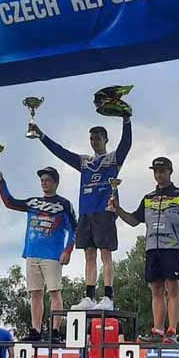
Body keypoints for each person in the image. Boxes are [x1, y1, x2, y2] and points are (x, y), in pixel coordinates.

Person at [29, 113, 131, 310]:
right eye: (92, 138)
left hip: (105, 211)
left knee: (106, 255)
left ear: (106, 139)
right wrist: (41, 135)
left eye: (98, 138)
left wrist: (126, 120)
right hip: (86, 214)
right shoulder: (85, 162)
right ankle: (90, 297)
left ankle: (108, 298)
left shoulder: (113, 159)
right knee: (89, 255)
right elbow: (61, 152)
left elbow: (126, 143)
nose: (94, 141)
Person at [111, 157, 179, 343]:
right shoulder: (148, 198)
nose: (158, 174)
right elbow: (133, 220)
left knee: (172, 286)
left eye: (162, 171)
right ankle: (158, 331)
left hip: (171, 247)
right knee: (156, 288)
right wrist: (117, 209)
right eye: (155, 171)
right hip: (151, 248)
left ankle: (172, 331)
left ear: (170, 172)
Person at [0, 166, 76, 342]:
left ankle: (55, 331)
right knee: (35, 293)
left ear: (56, 182)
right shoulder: (33, 202)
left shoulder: (64, 204)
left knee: (55, 291)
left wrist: (68, 250)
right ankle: (36, 330)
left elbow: (74, 228)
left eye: (48, 180)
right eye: (42, 180)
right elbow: (9, 202)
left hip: (53, 254)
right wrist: (1, 182)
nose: (44, 183)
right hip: (32, 253)